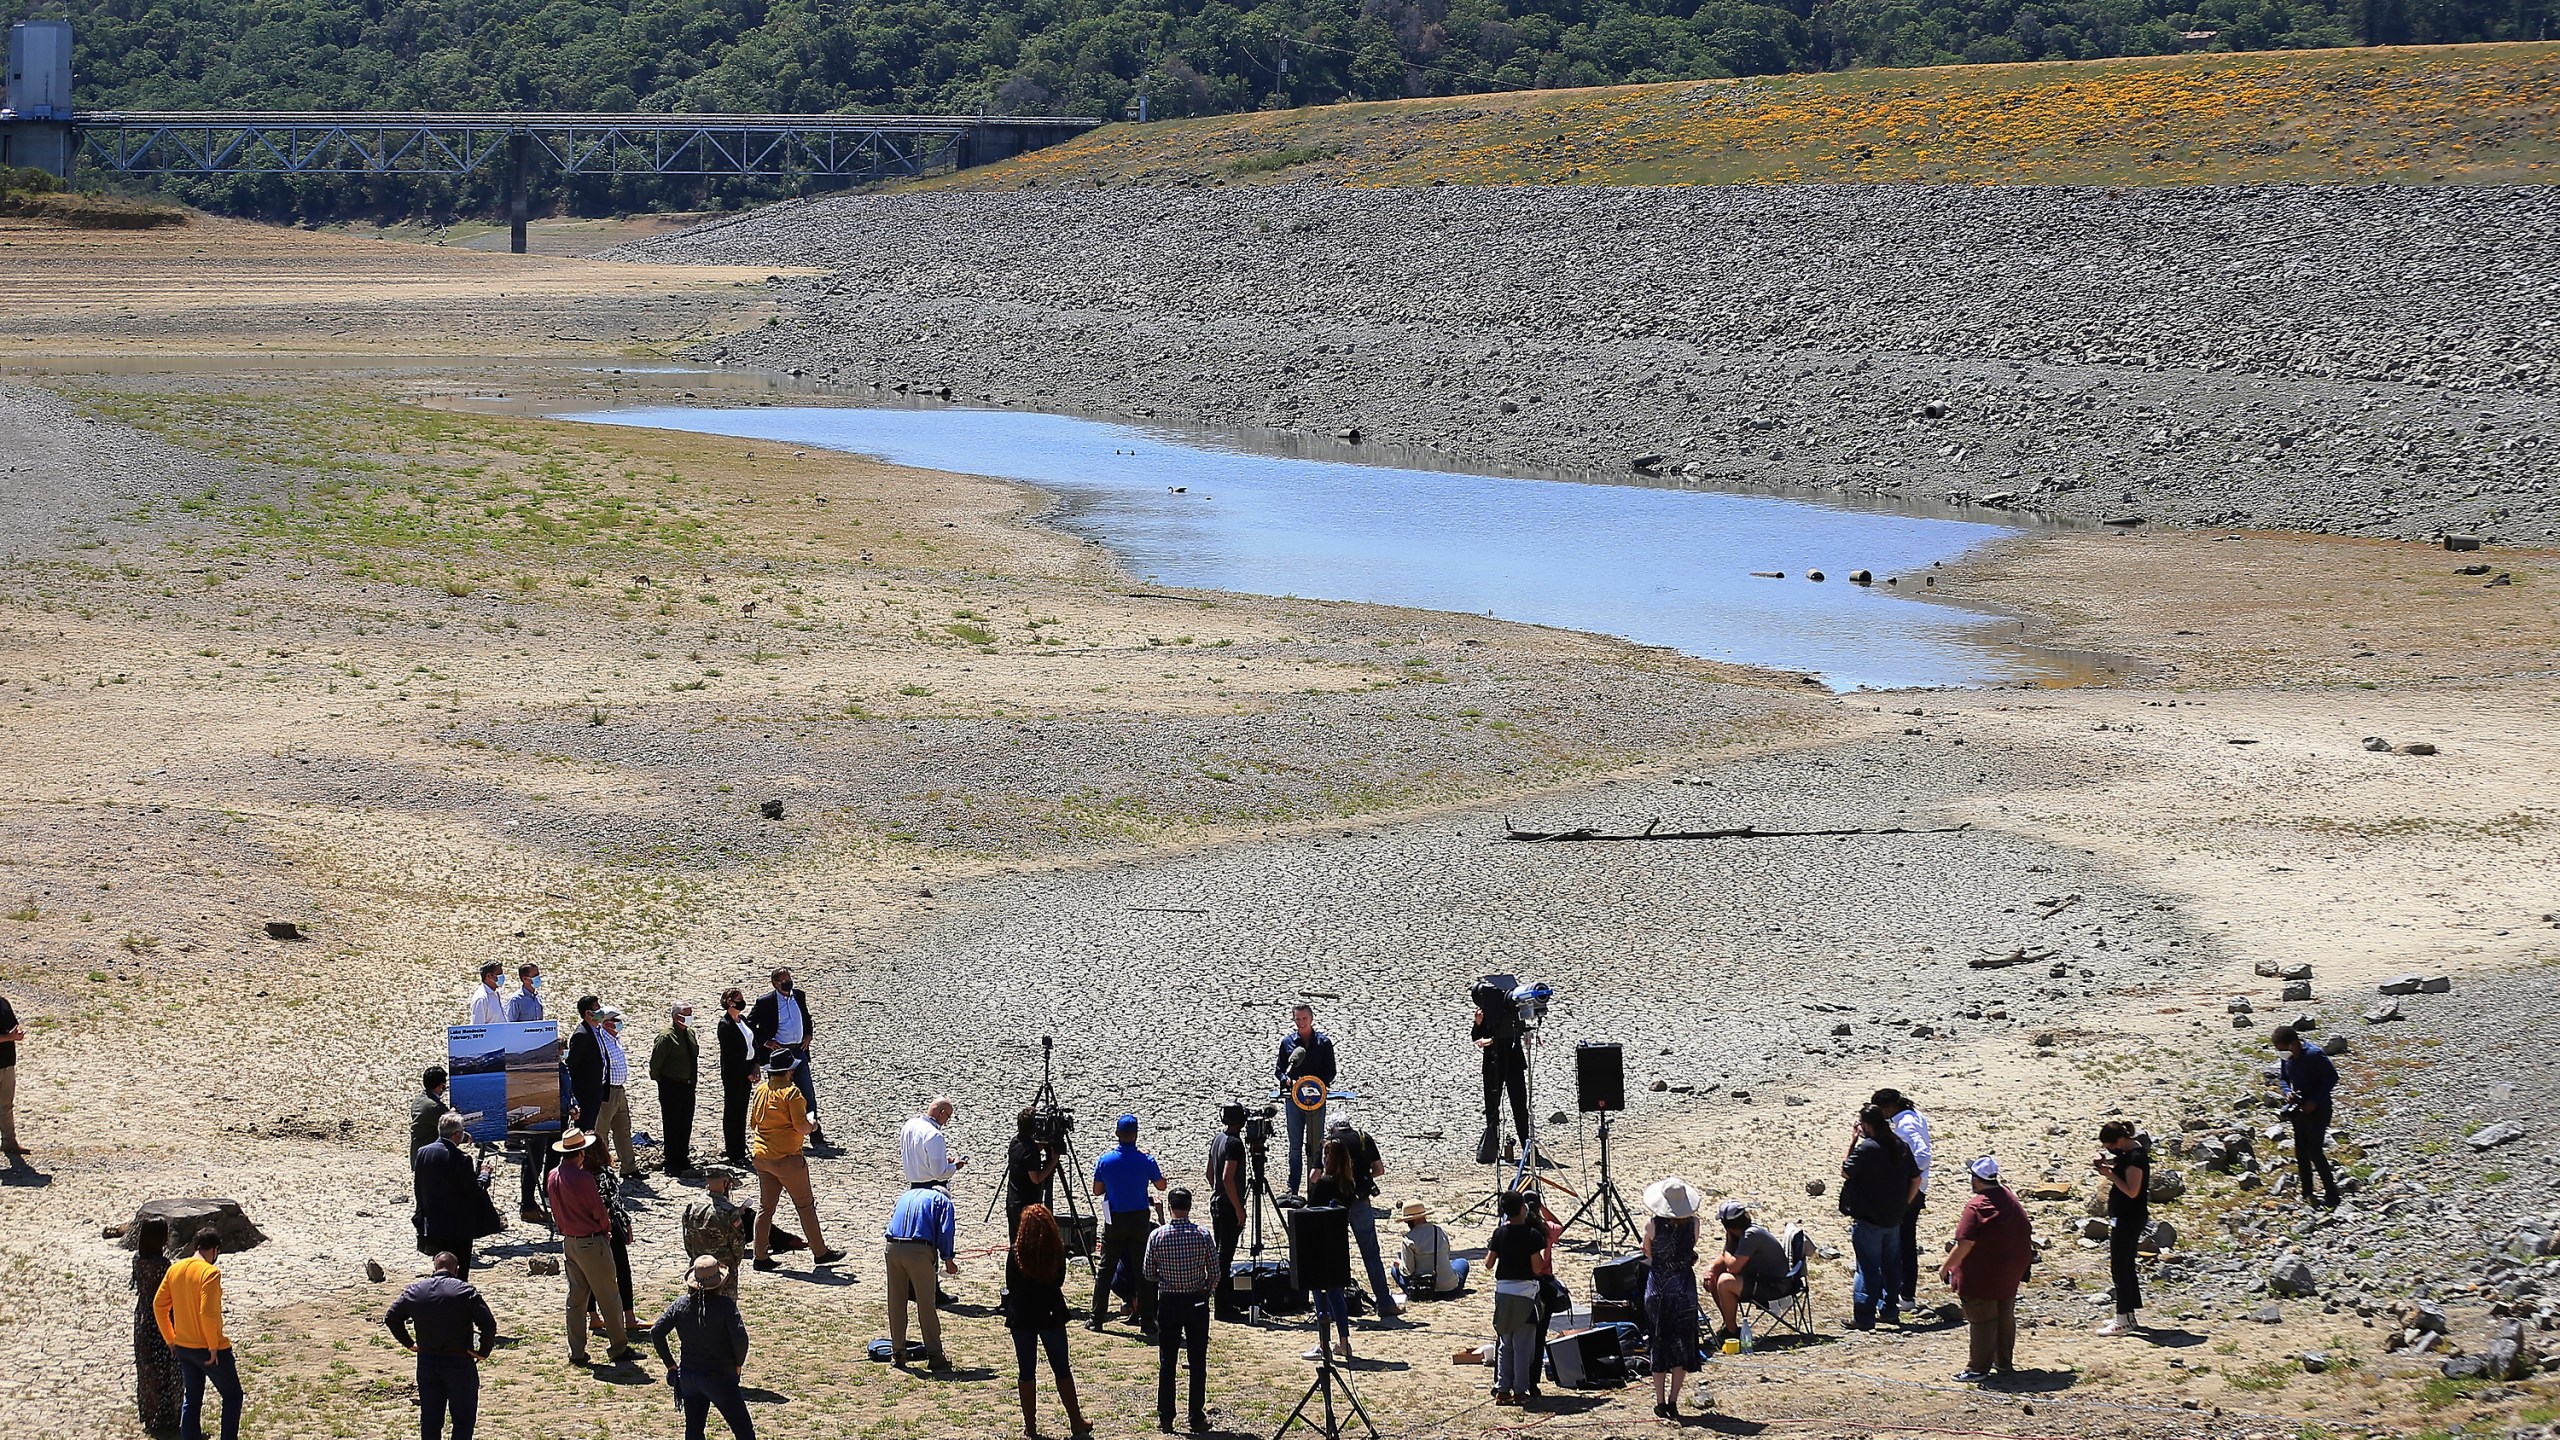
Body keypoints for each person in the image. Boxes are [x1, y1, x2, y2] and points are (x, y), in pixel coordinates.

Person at [544, 1126, 637, 1367]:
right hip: (591, 1240)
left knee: (576, 1299)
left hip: (570, 1242)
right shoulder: (584, 1178)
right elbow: (600, 1212)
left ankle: (577, 1351)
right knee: (609, 1296)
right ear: (582, 1152)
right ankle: (619, 1347)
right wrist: (606, 1231)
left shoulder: (553, 1175)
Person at [385, 1250, 498, 1440]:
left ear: (434, 1267)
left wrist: (409, 1343)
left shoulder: (415, 1291)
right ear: (457, 1269)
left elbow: (391, 1317)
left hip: (427, 1360)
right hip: (459, 1362)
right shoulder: (465, 1291)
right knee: (463, 1419)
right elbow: (488, 1324)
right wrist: (483, 1352)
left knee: (430, 1419)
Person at [1005, 1204, 1093, 1440]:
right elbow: (1060, 1280)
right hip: (1050, 1311)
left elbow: (1010, 1283)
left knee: (1026, 1371)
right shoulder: (1056, 1251)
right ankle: (1075, 1420)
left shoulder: (1016, 1251)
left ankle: (1031, 1427)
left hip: (1022, 1313)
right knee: (1061, 1367)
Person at [1942, 1157, 2032, 1384]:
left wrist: (1946, 1267)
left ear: (1976, 1179)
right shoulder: (2009, 1198)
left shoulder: (1976, 1206)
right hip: (2010, 1271)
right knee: (2004, 1316)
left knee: (1982, 1320)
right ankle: (2003, 1362)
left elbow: (1965, 1243)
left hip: (1982, 1275)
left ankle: (1977, 1368)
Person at [748, 1058, 842, 1271]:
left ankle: (760, 1255)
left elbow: (754, 1122)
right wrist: (813, 1125)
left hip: (763, 1157)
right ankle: (820, 1252)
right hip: (787, 1159)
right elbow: (801, 1127)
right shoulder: (792, 1093)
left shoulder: (761, 1090)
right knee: (805, 1206)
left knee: (766, 1208)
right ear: (789, 1071)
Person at [154, 1225, 243, 1440]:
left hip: (184, 1345)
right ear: (215, 1250)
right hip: (208, 1349)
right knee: (233, 1396)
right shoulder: (210, 1273)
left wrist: (170, 1339)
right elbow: (208, 1313)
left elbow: (159, 1305)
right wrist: (213, 1347)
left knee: (192, 1398)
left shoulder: (174, 1269)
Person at [1143, 1188, 1220, 1434]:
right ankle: (1196, 1415)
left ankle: (1166, 1417)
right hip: (1196, 1301)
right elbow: (1215, 1273)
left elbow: (1147, 1272)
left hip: (1168, 1302)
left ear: (1170, 1205)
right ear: (1189, 1205)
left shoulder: (1157, 1235)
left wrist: (1165, 1281)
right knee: (1197, 1361)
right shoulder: (1202, 1234)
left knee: (1168, 1361)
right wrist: (1205, 1290)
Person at [653, 1256, 756, 1440]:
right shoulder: (725, 1306)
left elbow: (656, 1332)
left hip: (689, 1377)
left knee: (693, 1430)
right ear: (719, 1282)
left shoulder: (680, 1305)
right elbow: (740, 1338)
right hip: (719, 1377)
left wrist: (671, 1365)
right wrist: (738, 1364)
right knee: (743, 1431)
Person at [1840, 1101, 1917, 1329]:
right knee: (1891, 1265)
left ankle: (1864, 1316)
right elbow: (1916, 1179)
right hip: (1893, 1217)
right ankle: (1889, 1310)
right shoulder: (1899, 1145)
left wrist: (1853, 1141)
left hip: (1869, 1218)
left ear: (1867, 1125)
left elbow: (1846, 1171)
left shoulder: (1867, 1148)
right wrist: (1905, 1204)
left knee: (1867, 1267)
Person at [1091, 1113, 1168, 1334]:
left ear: (1117, 1134)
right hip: (1138, 1218)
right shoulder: (1146, 1160)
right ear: (1136, 1134)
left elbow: (1097, 1190)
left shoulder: (1105, 1160)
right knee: (1141, 1270)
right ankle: (1147, 1320)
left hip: (1114, 1218)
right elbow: (1161, 1186)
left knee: (1105, 1268)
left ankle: (1096, 1317)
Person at [1324, 1116, 1399, 1320]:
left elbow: (1315, 1175)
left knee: (1335, 1256)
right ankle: (1384, 1303)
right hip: (1360, 1201)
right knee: (1371, 1254)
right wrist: (1361, 1180)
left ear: (1332, 1128)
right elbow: (1379, 1170)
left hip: (1335, 1204)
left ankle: (1334, 1308)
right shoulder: (1364, 1138)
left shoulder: (1330, 1144)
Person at [1642, 1177, 1703, 1420]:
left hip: (1658, 1286)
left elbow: (1647, 1251)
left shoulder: (1652, 1225)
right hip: (1684, 1286)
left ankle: (1659, 1401)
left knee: (1659, 1342)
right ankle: (1674, 1400)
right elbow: (1688, 1250)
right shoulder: (1695, 1224)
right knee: (1682, 1344)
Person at [884, 1181, 958, 1369]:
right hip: (918, 1250)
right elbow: (945, 1231)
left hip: (892, 1247)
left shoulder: (907, 1195)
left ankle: (898, 1352)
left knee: (896, 1301)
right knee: (926, 1303)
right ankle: (935, 1355)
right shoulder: (944, 1202)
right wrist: (948, 1259)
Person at [1485, 1190, 1548, 1409]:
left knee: (1505, 1344)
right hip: (1525, 1294)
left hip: (1503, 1292)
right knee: (1523, 1346)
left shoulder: (1499, 1232)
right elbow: (1537, 1267)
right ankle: (1520, 1391)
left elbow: (1488, 1263)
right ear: (1523, 1208)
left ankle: (1503, 1389)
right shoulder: (1531, 1235)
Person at [746, 969, 824, 1146]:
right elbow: (750, 1023)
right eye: (783, 981)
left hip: (799, 1050)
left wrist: (808, 1035)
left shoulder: (799, 996)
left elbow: (806, 1018)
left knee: (807, 1093)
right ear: (775, 984)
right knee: (779, 1094)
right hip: (779, 1055)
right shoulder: (766, 1002)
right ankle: (782, 1132)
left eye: (789, 979)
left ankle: (814, 1132)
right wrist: (766, 1042)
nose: (788, 983)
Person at [414, 1113, 500, 1267]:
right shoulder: (461, 1158)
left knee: (440, 1267)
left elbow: (418, 1186)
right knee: (459, 1271)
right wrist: (484, 1175)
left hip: (432, 1222)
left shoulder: (423, 1152)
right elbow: (473, 1190)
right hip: (457, 1227)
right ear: (457, 1134)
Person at [2273, 1025, 2345, 1210]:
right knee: (2301, 1152)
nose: (2281, 1053)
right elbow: (2282, 1078)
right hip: (2299, 1109)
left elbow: (2331, 1077)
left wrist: (2314, 1100)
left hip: (2319, 1108)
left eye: (2282, 1049)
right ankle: (2307, 1192)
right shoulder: (2287, 1057)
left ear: (2294, 1043)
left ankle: (2332, 1193)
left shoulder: (2314, 1055)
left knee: (2314, 1150)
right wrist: (2287, 1092)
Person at [1875, 1088, 1934, 1306]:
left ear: (1887, 1108)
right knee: (1905, 1240)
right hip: (1917, 1186)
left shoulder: (1906, 1124)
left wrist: (1908, 1176)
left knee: (1903, 1241)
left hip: (1909, 1189)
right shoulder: (1913, 1115)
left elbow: (1923, 1154)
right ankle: (1904, 1292)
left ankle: (1905, 1293)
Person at [1301, 1142, 1357, 1364]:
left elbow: (1310, 1211)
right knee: (1337, 1293)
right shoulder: (1349, 1185)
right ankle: (1344, 1342)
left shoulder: (1324, 1183)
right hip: (1338, 1244)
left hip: (1319, 1244)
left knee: (1319, 1292)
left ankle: (1324, 1344)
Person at [2093, 1119, 2151, 1336]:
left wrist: (2110, 1175)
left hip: (2129, 1218)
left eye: (2110, 1147)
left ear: (2120, 1140)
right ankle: (2128, 1316)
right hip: (2124, 1217)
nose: (2110, 1151)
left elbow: (2132, 1191)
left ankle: (2123, 1319)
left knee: (2121, 1267)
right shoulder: (2128, 1154)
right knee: (2125, 1265)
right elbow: (2121, 1165)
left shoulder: (2136, 1158)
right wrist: (2106, 1164)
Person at [1704, 1200, 1789, 1342]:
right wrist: (1711, 1269)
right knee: (1714, 1276)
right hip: (1761, 1280)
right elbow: (1728, 1258)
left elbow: (1732, 1267)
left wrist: (1727, 1245)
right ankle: (1728, 1325)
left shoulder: (1751, 1235)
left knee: (1725, 1282)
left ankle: (1732, 1332)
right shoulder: (1743, 1234)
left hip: (1776, 1286)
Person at [1273, 1004, 1336, 1195]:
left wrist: (1316, 1084)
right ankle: (1292, 1188)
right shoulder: (1287, 1043)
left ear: (1311, 1018)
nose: (1301, 1022)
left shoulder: (1324, 1043)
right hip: (1294, 1101)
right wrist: (1287, 1080)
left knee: (1317, 1144)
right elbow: (1279, 1071)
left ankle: (1317, 1187)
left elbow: (1330, 1072)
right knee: (1295, 1145)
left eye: (1304, 1019)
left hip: (1317, 1100)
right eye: (1297, 1019)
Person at [131, 1217, 183, 1432]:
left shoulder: (137, 1259)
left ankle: (150, 1414)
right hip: (161, 1322)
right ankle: (167, 1418)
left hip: (142, 1319)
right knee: (167, 1372)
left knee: (147, 1370)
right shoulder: (162, 1265)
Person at [1472, 988, 1529, 1165]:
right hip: (1493, 1064)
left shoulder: (1513, 1011)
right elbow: (1476, 1037)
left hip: (1513, 1063)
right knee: (1492, 1109)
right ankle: (1492, 1148)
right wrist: (1478, 1023)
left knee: (1519, 1107)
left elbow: (1518, 1030)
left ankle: (1526, 1145)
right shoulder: (1486, 1014)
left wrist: (1493, 1040)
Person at [683, 1167, 752, 1295]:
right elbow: (738, 1245)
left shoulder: (693, 1206)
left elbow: (687, 1239)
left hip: (699, 1267)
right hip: (724, 1269)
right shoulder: (729, 1211)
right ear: (726, 1183)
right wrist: (732, 1264)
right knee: (725, 1309)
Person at [1206, 1104, 1247, 1311]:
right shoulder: (1235, 1144)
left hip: (1217, 1200)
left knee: (1219, 1251)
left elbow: (1210, 1173)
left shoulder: (1218, 1139)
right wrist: (1238, 1207)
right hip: (1227, 1204)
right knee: (1225, 1255)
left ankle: (1218, 1297)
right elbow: (1227, 1177)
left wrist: (1218, 1190)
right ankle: (1222, 1304)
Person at [1006, 1107, 1063, 1256]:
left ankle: (1013, 1270)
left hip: (1012, 1199)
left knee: (1015, 1243)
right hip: (1026, 1204)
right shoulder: (1030, 1151)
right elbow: (1036, 1178)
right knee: (1027, 1243)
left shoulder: (1015, 1142)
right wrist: (1053, 1162)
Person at [652, 1004, 700, 1175]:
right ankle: (671, 1160)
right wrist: (663, 1082)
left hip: (688, 1084)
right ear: (676, 1016)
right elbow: (655, 1064)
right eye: (686, 1015)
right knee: (672, 1123)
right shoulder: (666, 1037)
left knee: (685, 1122)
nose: (690, 1017)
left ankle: (683, 1157)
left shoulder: (690, 1034)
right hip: (671, 1085)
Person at [1390, 1201, 1466, 1298]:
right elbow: (1446, 1255)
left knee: (1394, 1269)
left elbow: (1408, 1271)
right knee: (1462, 1262)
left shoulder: (1408, 1239)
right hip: (1449, 1289)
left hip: (1423, 1289)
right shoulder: (1439, 1231)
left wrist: (1399, 1264)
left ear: (1407, 1221)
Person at [716, 988, 755, 1167]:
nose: (742, 1002)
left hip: (747, 1071)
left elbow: (751, 1044)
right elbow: (732, 1054)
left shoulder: (742, 1020)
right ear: (730, 1002)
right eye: (738, 999)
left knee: (742, 1111)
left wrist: (755, 1065)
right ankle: (733, 1151)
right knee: (732, 1112)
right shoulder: (725, 1025)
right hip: (734, 1074)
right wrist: (746, 1071)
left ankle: (741, 1147)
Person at [902, 1096, 966, 1186]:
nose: (945, 1123)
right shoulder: (935, 1135)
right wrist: (955, 1166)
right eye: (947, 1118)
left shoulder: (909, 1125)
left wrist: (944, 1161)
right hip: (932, 1187)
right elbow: (940, 1173)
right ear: (942, 1113)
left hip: (913, 1185)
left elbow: (920, 1157)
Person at [0, 987, 23, 1159]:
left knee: (6, 1105)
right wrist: (10, 1038)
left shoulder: (3, 1004)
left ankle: (9, 1142)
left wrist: (17, 1032)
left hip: (7, 1063)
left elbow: (13, 1024)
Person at [410, 1067, 453, 1155]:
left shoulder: (418, 1100)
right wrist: (467, 1137)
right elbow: (450, 1129)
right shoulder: (434, 1106)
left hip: (418, 1154)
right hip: (431, 1156)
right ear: (440, 1086)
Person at [467, 962, 509, 1026]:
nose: (502, 977)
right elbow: (478, 1027)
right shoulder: (481, 998)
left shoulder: (496, 993)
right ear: (489, 976)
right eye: (499, 974)